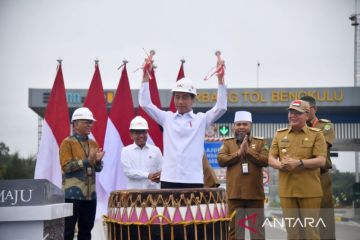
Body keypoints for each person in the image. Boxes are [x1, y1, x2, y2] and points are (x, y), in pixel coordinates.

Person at [139, 67, 227, 189]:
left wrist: (221, 81)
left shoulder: (201, 120)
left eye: (185, 97)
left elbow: (221, 107)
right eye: (177, 97)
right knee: (169, 209)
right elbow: (145, 103)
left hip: (193, 179)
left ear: (193, 100)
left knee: (193, 209)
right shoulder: (166, 118)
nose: (180, 101)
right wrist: (144, 79)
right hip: (169, 179)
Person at [268, 100, 327, 240]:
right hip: (287, 191)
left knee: (311, 232)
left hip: (310, 191)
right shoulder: (280, 134)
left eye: (297, 113)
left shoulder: (317, 134)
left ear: (307, 115)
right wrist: (279, 165)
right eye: (290, 112)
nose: (292, 115)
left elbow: (321, 160)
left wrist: (299, 163)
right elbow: (270, 157)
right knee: (292, 233)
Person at [217, 111, 268, 240]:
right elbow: (221, 160)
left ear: (250, 125)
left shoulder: (260, 142)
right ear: (234, 126)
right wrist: (238, 154)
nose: (241, 127)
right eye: (238, 124)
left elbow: (266, 160)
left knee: (257, 232)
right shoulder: (228, 143)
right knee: (234, 233)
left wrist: (248, 151)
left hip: (255, 195)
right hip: (234, 195)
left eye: (245, 124)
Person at [59, 107, 105, 240]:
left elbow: (98, 169)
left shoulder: (93, 143)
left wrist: (98, 162)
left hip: (90, 196)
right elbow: (66, 167)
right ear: (75, 124)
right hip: (71, 196)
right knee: (67, 231)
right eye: (86, 122)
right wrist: (87, 161)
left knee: (86, 232)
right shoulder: (67, 143)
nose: (90, 125)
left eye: (91, 122)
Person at [301, 95, 336, 240]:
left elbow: (321, 146)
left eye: (306, 109)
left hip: (321, 176)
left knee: (324, 212)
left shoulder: (325, 126)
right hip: (302, 176)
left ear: (314, 109)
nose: (302, 112)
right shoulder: (296, 127)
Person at [121, 116, 163, 189]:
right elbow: (128, 172)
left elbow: (162, 169)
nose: (141, 136)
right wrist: (148, 175)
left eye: (143, 132)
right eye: (137, 133)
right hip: (134, 194)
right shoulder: (126, 151)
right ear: (131, 135)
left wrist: (159, 176)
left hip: (153, 193)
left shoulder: (156, 150)